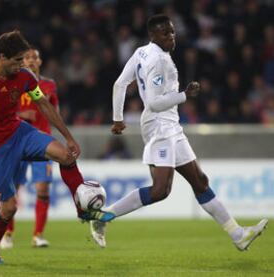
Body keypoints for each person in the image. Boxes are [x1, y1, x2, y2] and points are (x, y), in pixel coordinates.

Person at [0, 31, 112, 265]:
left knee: (66, 156)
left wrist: (68, 137)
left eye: (23, 60)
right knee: (9, 208)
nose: (22, 66)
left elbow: (43, 104)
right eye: (17, 61)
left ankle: (83, 211)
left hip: (19, 133)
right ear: (2, 57)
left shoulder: (25, 77)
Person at [90, 14, 268, 250]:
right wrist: (185, 95)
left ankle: (238, 234)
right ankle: (103, 218)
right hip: (159, 126)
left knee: (201, 182)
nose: (171, 36)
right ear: (153, 35)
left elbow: (120, 83)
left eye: (172, 31)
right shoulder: (158, 61)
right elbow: (153, 103)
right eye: (165, 33)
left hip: (171, 125)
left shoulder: (142, 52)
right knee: (160, 190)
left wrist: (118, 118)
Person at [0, 47, 59, 249]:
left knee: (42, 189)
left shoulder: (49, 84)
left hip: (42, 142)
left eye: (35, 57)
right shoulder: (15, 83)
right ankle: (7, 234)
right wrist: (22, 116)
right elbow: (3, 112)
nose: (31, 60)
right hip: (18, 142)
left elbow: (54, 110)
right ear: (22, 62)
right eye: (27, 57)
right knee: (12, 190)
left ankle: (38, 235)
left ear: (40, 62)